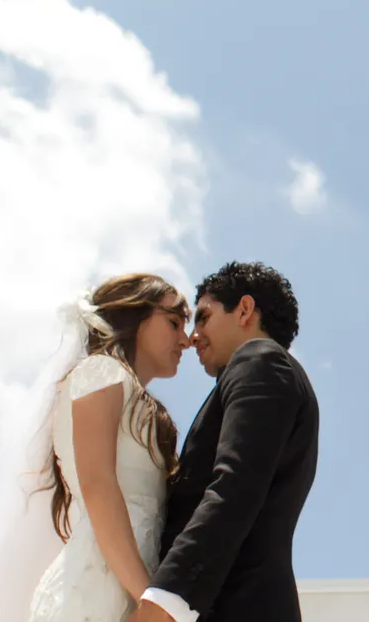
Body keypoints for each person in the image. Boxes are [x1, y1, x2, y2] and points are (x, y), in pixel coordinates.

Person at [0, 272, 192, 622]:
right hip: (98, 588)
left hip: (133, 581)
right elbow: (98, 486)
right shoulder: (100, 372)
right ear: (135, 316)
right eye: (174, 322)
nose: (186, 340)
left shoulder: (139, 403)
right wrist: (149, 600)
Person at [130, 261, 319, 622]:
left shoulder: (259, 361)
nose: (192, 336)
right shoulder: (268, 372)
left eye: (203, 317)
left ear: (244, 310)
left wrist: (167, 599)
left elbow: (235, 486)